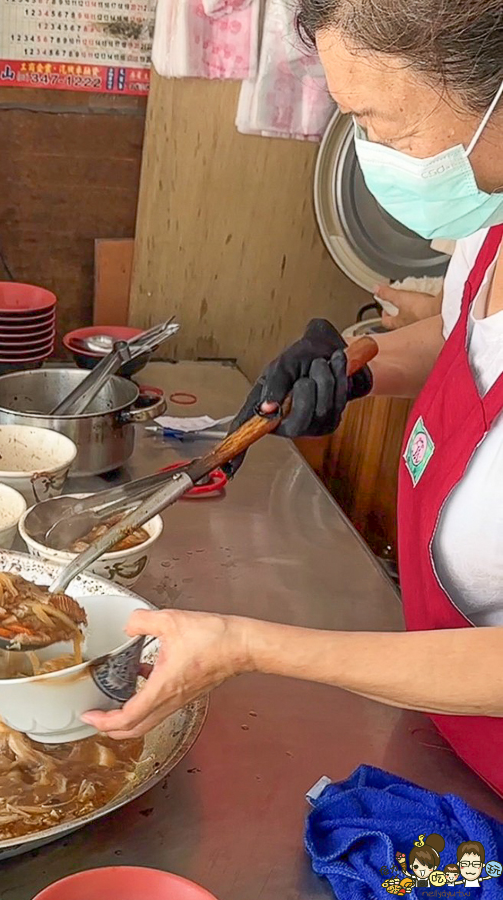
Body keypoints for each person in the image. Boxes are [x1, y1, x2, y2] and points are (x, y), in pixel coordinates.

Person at [82, 0, 503, 799]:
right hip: (446, 739)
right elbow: (468, 340)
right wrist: (354, 368)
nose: (372, 156)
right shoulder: (491, 222)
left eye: (381, 125)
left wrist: (246, 645)